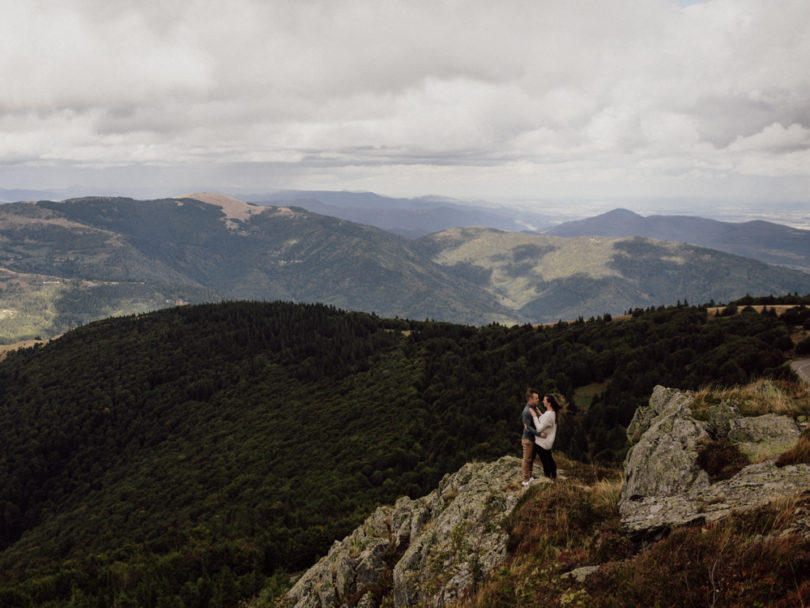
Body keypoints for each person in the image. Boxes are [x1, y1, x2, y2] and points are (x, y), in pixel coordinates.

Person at [529, 394, 562, 479]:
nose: (542, 401)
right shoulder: (551, 413)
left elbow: (539, 428)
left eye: (544, 400)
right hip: (546, 442)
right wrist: (540, 414)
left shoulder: (548, 415)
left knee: (544, 461)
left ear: (549, 403)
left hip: (542, 442)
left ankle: (547, 478)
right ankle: (553, 477)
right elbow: (544, 421)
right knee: (549, 459)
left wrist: (534, 416)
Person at [521, 388, 542, 486]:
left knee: (531, 459)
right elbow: (528, 427)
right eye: (536, 398)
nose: (538, 400)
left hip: (534, 439)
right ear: (530, 399)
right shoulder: (526, 412)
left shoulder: (534, 409)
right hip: (528, 439)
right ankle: (525, 480)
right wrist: (539, 434)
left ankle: (530, 476)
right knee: (527, 459)